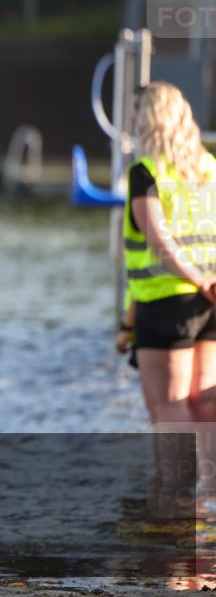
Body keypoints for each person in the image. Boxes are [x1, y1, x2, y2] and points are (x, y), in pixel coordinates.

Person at [123, 82, 216, 425]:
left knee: (168, 406)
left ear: (148, 119)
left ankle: (172, 481)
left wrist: (196, 279)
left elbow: (160, 245)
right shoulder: (210, 168)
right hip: (209, 302)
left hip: (168, 302)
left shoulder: (145, 172)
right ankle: (207, 479)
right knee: (205, 406)